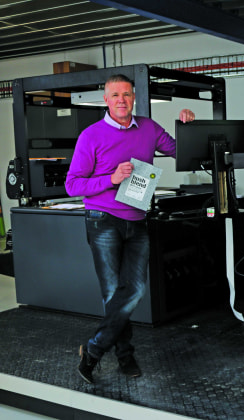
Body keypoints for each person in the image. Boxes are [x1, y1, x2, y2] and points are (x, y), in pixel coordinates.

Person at [65, 74, 195, 384]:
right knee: (113, 294)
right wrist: (110, 179)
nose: (121, 100)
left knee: (134, 290)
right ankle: (125, 356)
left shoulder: (148, 128)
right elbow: (72, 185)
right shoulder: (91, 136)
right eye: (115, 95)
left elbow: (184, 153)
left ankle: (93, 351)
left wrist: (188, 128)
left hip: (137, 220)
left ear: (133, 97)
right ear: (106, 101)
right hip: (103, 219)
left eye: (126, 94)